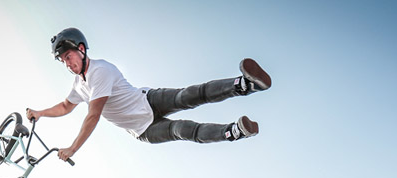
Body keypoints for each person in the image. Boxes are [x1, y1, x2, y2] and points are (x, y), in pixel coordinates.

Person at [26, 28, 271, 162]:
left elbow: (93, 115)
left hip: (148, 100)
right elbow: (65, 106)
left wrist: (73, 148)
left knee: (189, 95)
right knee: (184, 129)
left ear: (81, 49)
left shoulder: (100, 71)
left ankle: (245, 84)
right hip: (144, 130)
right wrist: (40, 113)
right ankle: (234, 131)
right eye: (62, 61)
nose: (67, 64)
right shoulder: (79, 85)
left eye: (68, 57)